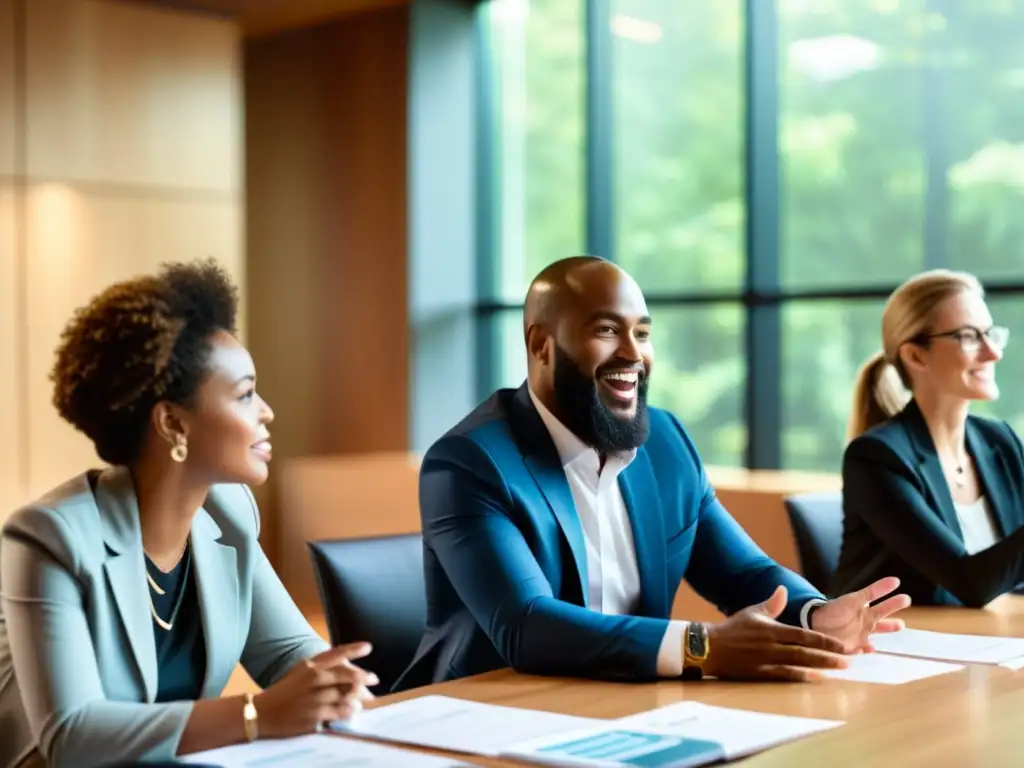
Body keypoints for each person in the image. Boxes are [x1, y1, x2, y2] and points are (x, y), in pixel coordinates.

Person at [394, 256, 909, 691]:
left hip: (626, 701)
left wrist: (814, 617)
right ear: (541, 345)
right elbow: (526, 626)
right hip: (487, 713)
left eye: (641, 333)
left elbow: (744, 574)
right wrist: (701, 646)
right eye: (605, 330)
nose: (632, 353)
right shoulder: (470, 462)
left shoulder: (665, 443)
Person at [0, 261, 377, 768]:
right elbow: (72, 736)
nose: (266, 412)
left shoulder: (228, 516)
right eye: (245, 395)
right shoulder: (48, 538)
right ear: (173, 423)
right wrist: (256, 715)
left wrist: (336, 684)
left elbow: (288, 654)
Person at [835, 269, 1024, 607]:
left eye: (991, 334)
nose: (992, 353)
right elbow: (969, 582)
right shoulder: (876, 457)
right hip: (900, 648)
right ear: (916, 355)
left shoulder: (1000, 441)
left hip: (984, 640)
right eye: (969, 337)